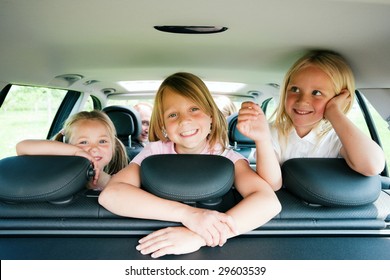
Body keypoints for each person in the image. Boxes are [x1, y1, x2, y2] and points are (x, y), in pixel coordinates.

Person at [98, 72, 281, 258]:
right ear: (163, 125)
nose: (184, 120)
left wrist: (200, 236)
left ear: (211, 115)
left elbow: (268, 202)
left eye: (194, 109)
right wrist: (189, 215)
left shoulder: (228, 158)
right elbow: (111, 195)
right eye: (173, 114)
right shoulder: (154, 152)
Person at [238, 50, 385, 183]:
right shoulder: (273, 132)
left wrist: (334, 112)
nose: (302, 101)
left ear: (337, 97)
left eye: (317, 93)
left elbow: (372, 166)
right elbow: (272, 184)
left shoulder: (337, 137)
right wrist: (262, 139)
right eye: (295, 89)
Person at [16, 110, 128, 190]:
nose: (94, 148)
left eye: (102, 141)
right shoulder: (57, 176)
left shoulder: (120, 183)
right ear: (67, 146)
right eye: (83, 142)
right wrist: (76, 152)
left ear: (113, 147)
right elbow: (21, 147)